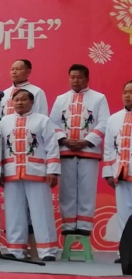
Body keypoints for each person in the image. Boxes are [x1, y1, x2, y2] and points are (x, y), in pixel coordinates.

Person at [0, 89, 60, 261]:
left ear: (32, 102)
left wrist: (53, 170)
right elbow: (0, 149)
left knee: (41, 212)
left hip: (36, 171)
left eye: (23, 99)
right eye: (16, 99)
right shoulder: (3, 122)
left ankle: (47, 251)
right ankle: (15, 250)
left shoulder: (42, 120)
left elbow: (52, 146)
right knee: (13, 212)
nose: (19, 102)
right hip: (11, 172)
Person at [50, 64, 110, 236]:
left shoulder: (99, 98)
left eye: (79, 77)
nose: (75, 80)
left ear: (87, 79)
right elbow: (52, 123)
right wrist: (64, 139)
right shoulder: (61, 99)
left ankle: (85, 225)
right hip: (66, 150)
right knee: (67, 189)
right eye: (72, 77)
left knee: (87, 189)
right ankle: (68, 225)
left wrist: (87, 141)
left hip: (89, 151)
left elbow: (104, 122)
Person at [102, 80, 132, 264]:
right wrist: (108, 171)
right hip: (121, 172)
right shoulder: (114, 119)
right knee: (124, 214)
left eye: (131, 92)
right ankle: (126, 254)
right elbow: (109, 148)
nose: (127, 96)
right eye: (125, 92)